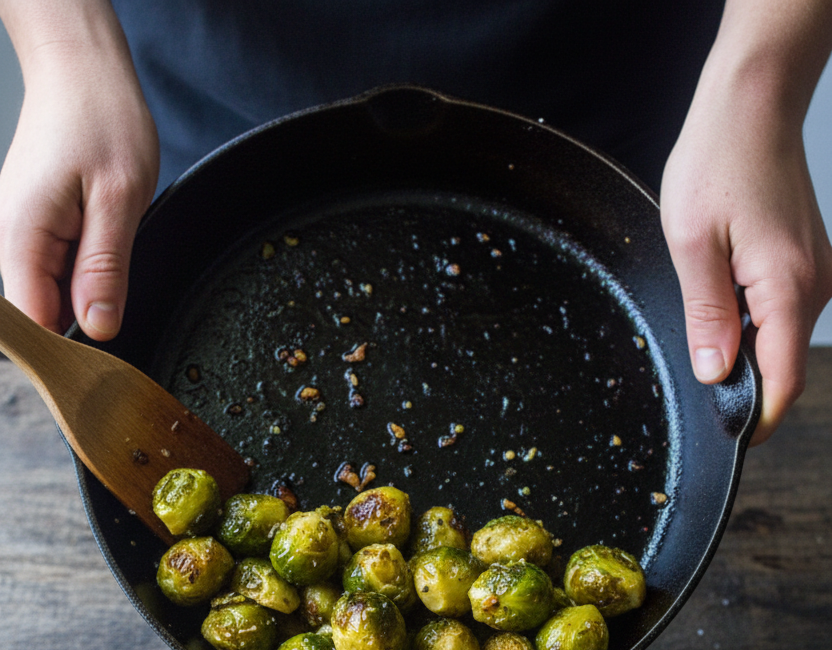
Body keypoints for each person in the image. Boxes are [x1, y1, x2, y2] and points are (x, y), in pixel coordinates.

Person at [0, 0, 831, 446]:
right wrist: (63, 47)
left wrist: (762, 80)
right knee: (198, 260)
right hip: (209, 90)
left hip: (594, 93)